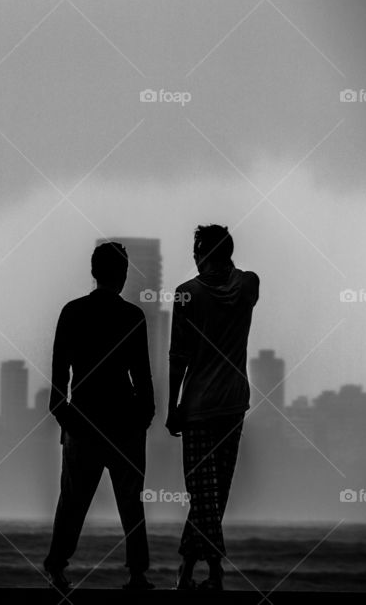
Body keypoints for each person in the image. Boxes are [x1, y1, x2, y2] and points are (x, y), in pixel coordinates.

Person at [43, 242, 155, 591]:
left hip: (83, 422)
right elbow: (143, 378)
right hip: (124, 423)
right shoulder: (132, 316)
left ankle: (57, 568)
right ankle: (137, 574)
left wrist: (68, 421)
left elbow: (59, 382)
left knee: (72, 503)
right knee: (131, 505)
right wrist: (143, 418)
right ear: (123, 276)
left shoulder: (72, 313)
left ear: (94, 273)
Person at [166, 224, 259, 591]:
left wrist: (173, 405)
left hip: (200, 405)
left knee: (203, 492)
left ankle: (216, 571)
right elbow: (237, 282)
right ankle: (187, 572)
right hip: (234, 402)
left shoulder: (186, 295)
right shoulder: (249, 284)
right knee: (214, 493)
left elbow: (178, 356)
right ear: (230, 251)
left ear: (199, 254)